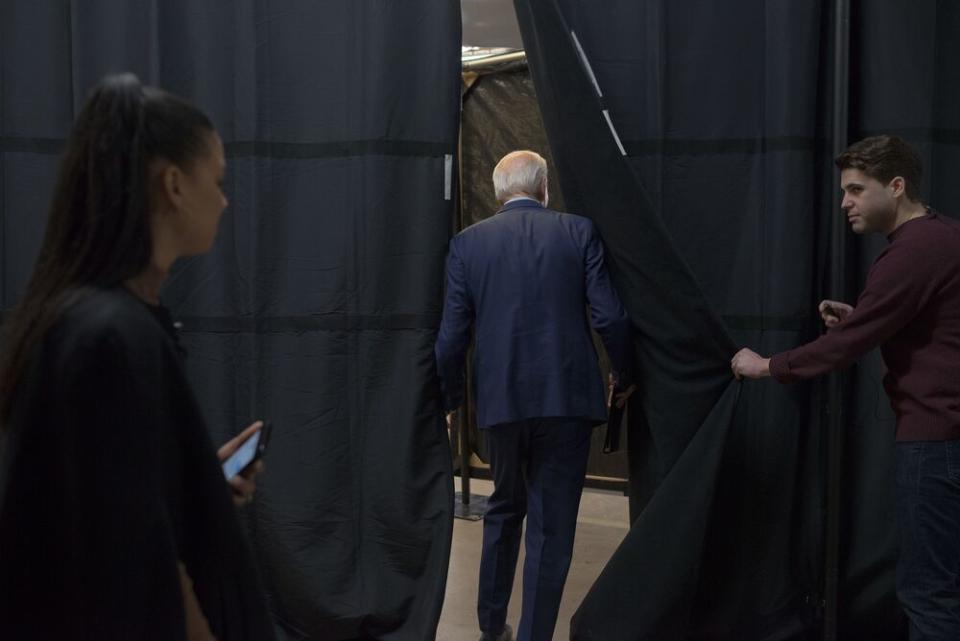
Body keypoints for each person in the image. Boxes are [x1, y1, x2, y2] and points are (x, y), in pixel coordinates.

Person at [0, 73, 275, 640]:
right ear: (173, 184)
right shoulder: (110, 335)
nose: (223, 201)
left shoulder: (95, 318)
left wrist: (196, 480)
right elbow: (133, 562)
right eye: (217, 181)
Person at [731, 135, 960, 640]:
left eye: (856, 190)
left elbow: (844, 349)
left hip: (936, 444)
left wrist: (766, 364)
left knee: (931, 594)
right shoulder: (945, 237)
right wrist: (865, 318)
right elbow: (937, 328)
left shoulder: (912, 251)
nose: (845, 203)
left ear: (896, 186)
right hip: (949, 439)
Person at [436, 150, 635, 641]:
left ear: (500, 191)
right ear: (545, 188)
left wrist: (449, 398)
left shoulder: (467, 244)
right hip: (567, 399)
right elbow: (610, 317)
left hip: (501, 401)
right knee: (551, 525)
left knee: (503, 508)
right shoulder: (579, 231)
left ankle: (489, 627)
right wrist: (625, 373)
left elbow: (450, 339)